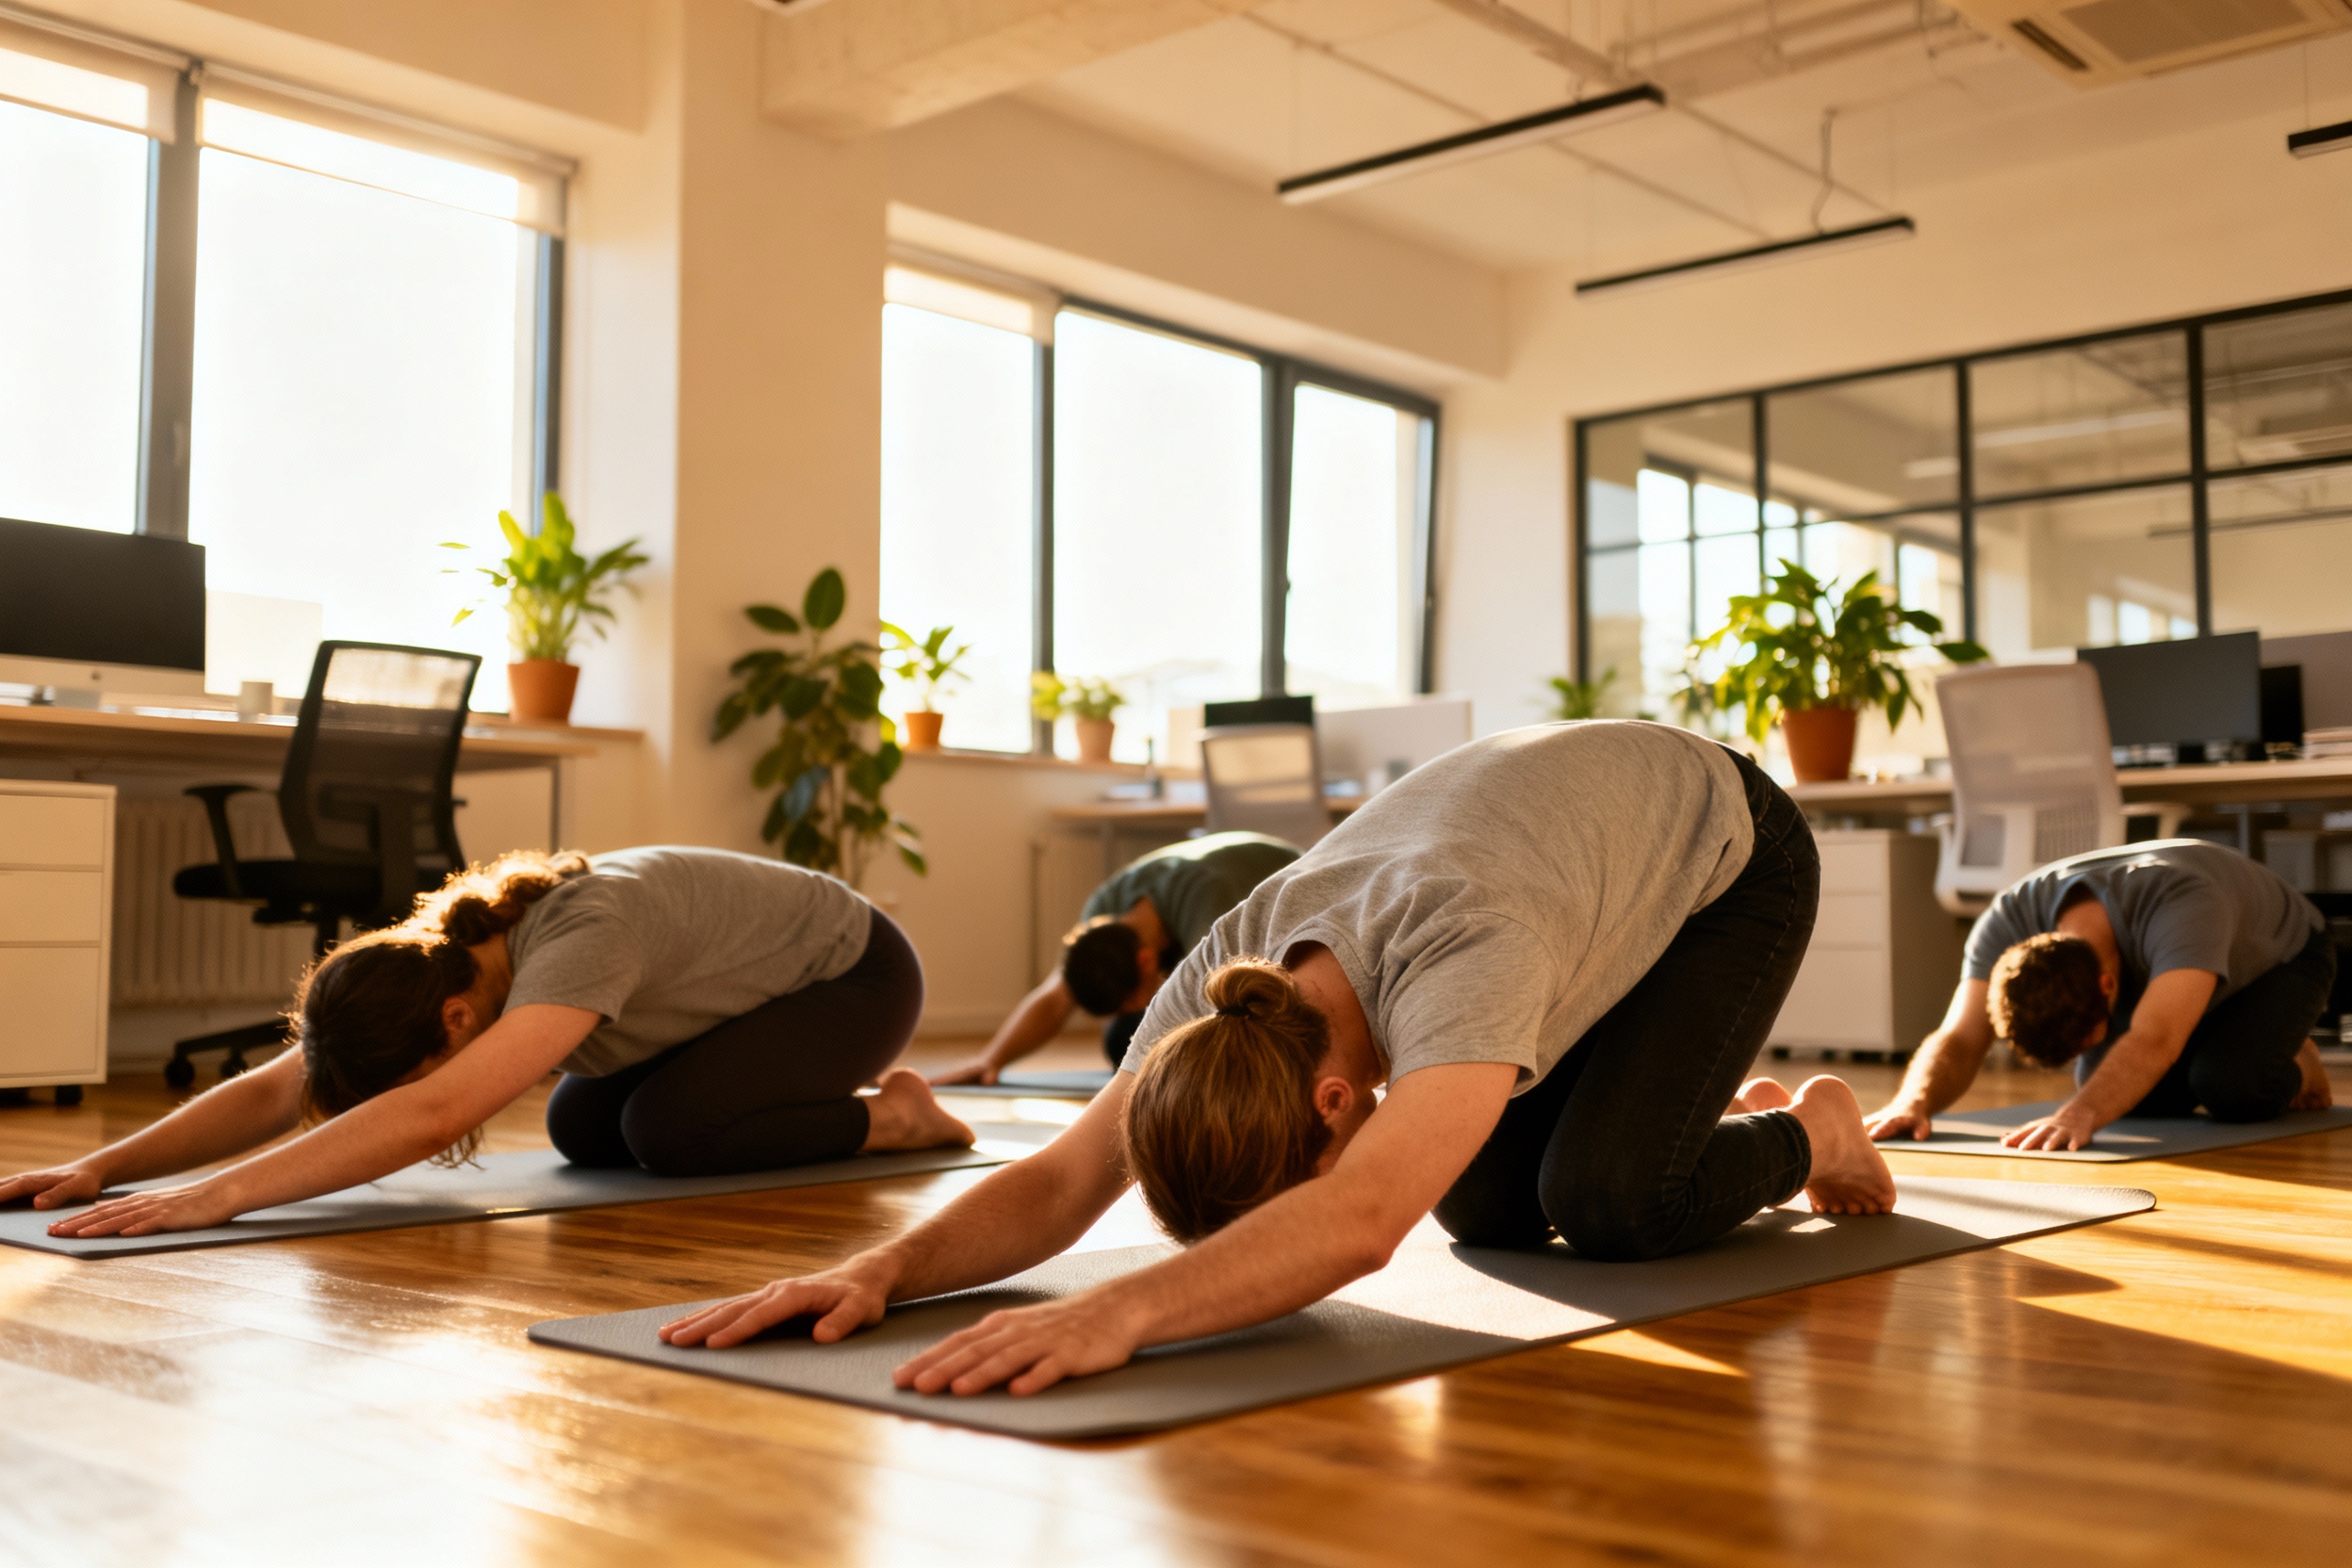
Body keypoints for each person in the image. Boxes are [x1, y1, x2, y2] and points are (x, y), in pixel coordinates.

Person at [661, 722, 1897, 1397]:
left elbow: (1359, 1222)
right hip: (1570, 856)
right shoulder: (1228, 972)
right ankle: (1690, 1110)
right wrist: (880, 1269)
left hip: (1725, 851)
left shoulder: (1464, 949)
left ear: (1334, 1098)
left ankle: (1812, 1130)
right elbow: (1062, 1178)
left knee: (1614, 1202)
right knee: (1493, 1214)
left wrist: (1123, 1310)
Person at [0, 846, 972, 1239]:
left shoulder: (581, 941)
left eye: (409, 1071)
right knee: (585, 1130)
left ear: (456, 1022)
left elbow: (436, 1113)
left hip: (854, 980)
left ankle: (895, 1118)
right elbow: (275, 1088)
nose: (405, 1090)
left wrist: (219, 1197)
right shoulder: (444, 968)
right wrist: (102, 1167)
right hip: (734, 1000)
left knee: (675, 1133)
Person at [1867, 840, 2336, 1152]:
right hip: (2178, 973)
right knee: (2118, 1089)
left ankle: (2299, 1058)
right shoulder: (2006, 922)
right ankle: (2218, 1039)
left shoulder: (2182, 903)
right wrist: (1912, 1102)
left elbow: (2155, 1037)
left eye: (2092, 1037)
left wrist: (2081, 1113)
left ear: (2108, 986)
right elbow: (1960, 1037)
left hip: (2283, 959)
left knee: (2228, 1086)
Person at [930, 831, 1300, 1085]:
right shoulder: (1101, 913)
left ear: (1145, 962)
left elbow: (1219, 1007)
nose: (1135, 1010)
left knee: (1194, 1041)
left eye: (1133, 1001)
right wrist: (991, 1060)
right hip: (1211, 886)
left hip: (1293, 882)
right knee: (1123, 1039)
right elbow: (1057, 999)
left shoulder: (1206, 911)